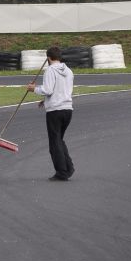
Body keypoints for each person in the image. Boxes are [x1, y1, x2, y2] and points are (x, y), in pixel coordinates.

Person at [25, 46, 75, 181]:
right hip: (68, 109)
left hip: (55, 111)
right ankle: (68, 168)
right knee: (59, 140)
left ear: (48, 58)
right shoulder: (69, 71)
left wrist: (33, 89)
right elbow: (62, 90)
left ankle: (62, 172)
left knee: (54, 142)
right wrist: (45, 101)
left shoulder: (50, 70)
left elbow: (47, 89)